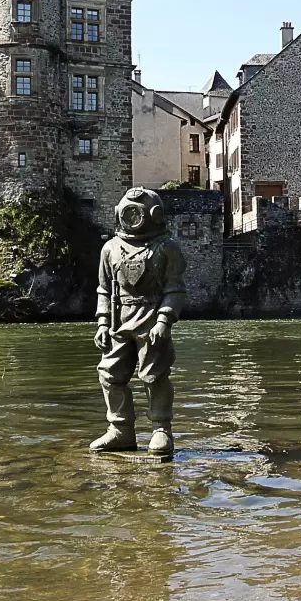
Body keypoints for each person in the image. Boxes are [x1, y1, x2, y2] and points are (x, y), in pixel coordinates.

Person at [91, 187, 187, 455]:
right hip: (117, 321)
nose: (133, 217)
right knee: (109, 374)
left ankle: (160, 429)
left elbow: (175, 289)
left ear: (154, 215)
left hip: (151, 318)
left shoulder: (167, 247)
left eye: (138, 213)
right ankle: (120, 430)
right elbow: (103, 289)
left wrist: (164, 321)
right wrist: (101, 323)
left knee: (154, 374)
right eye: (128, 213)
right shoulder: (110, 249)